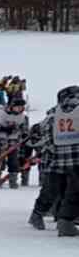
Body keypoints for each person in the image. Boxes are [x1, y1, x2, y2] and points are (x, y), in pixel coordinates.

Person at [47, 84, 79, 236]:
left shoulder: (56, 112)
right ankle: (66, 222)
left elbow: (47, 132)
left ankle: (65, 222)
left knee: (73, 189)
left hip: (64, 159)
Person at [0, 93, 29, 189]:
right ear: (12, 106)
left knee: (14, 162)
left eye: (21, 107)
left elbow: (25, 130)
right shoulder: (1, 114)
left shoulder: (23, 118)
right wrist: (2, 128)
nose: (19, 109)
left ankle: (13, 181)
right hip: (1, 142)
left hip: (14, 143)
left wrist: (22, 133)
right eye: (17, 107)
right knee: (0, 161)